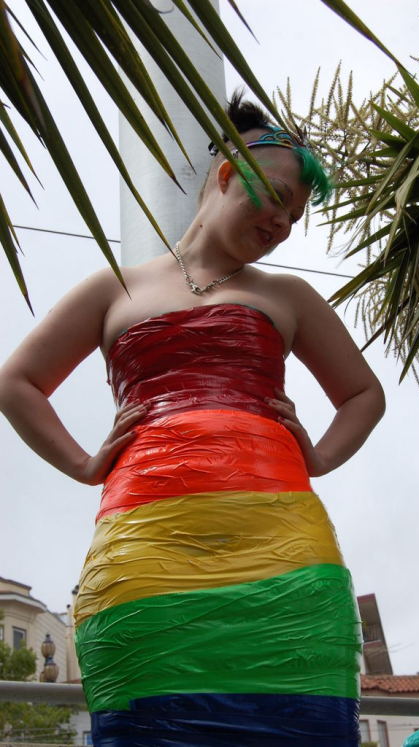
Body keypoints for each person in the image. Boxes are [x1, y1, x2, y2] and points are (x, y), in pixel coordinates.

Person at [0, 93, 385, 746]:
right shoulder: (114, 287)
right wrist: (83, 463)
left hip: (285, 565)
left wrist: (316, 455)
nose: (285, 223)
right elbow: (17, 381)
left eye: (296, 215)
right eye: (280, 198)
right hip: (145, 564)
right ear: (230, 170)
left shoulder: (287, 294)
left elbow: (364, 394)